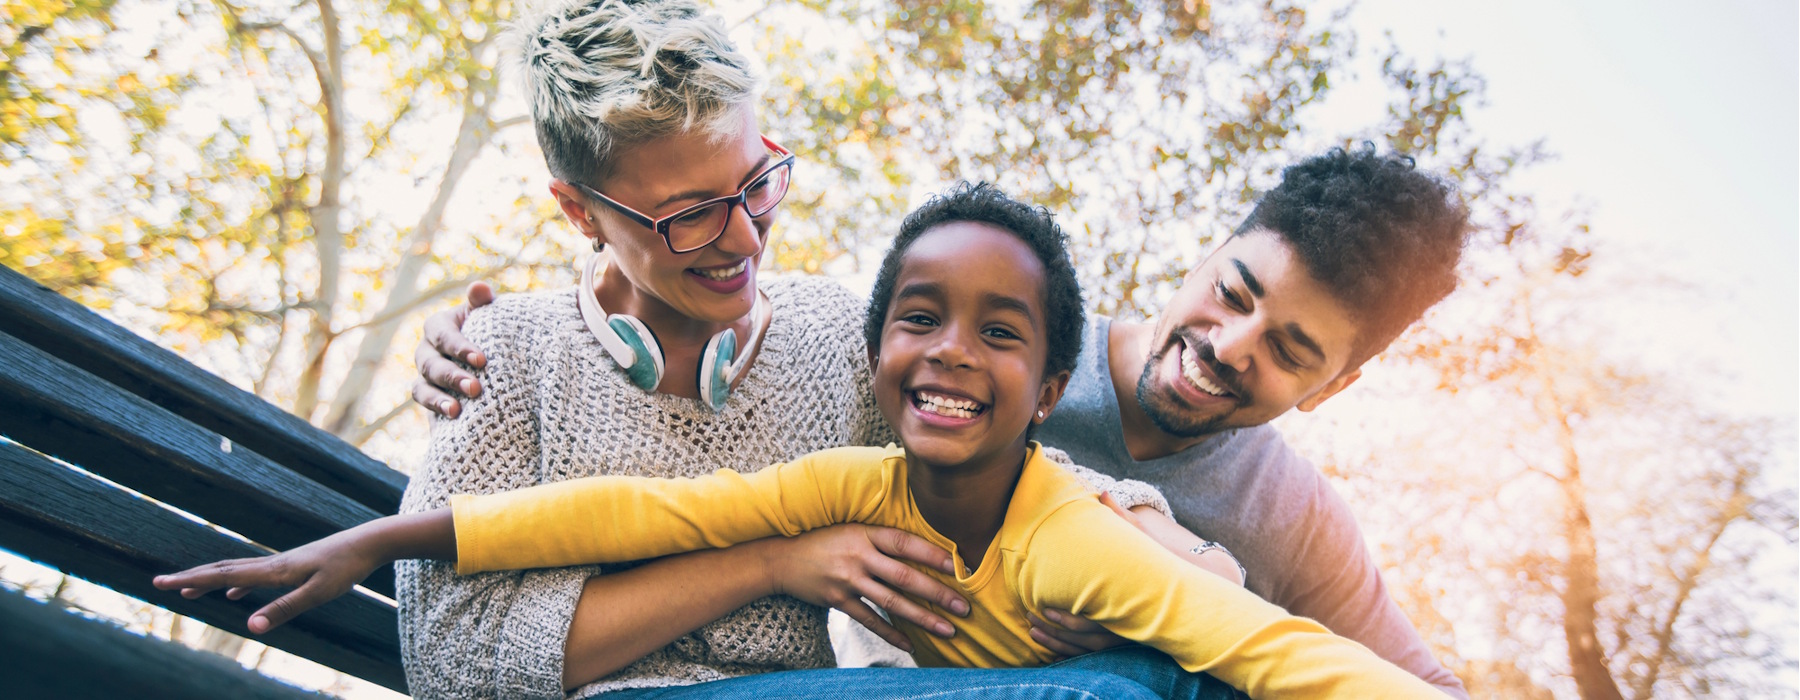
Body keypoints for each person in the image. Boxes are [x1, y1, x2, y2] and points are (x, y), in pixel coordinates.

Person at [155, 183, 1446, 699]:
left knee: (1176, 680)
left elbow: (1299, 655)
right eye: (1237, 291)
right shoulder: (918, 391)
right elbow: (684, 473)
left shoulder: (1258, 514)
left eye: (1289, 348)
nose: (1230, 343)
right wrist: (532, 330)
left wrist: (1169, 592)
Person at [270, 0, 1226, 697]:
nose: (743, 239)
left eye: (756, 182)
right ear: (578, 210)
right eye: (688, 215)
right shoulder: (508, 354)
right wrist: (775, 562)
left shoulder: (827, 332)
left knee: (1181, 680)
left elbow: (1002, 466)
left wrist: (1171, 550)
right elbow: (455, 660)